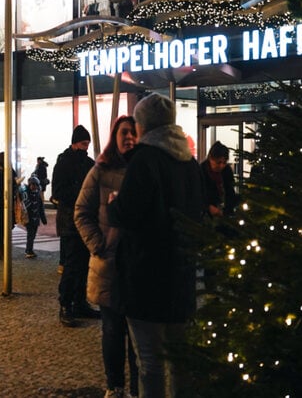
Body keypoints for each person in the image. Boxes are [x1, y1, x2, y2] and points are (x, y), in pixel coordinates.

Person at [107, 94, 205, 398]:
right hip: (182, 273)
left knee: (150, 362)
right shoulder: (189, 163)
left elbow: (130, 213)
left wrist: (114, 204)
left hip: (146, 274)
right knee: (180, 359)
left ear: (144, 124)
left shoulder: (145, 159)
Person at [75, 115, 140, 397]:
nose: (130, 137)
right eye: (125, 132)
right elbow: (82, 212)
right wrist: (98, 245)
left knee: (139, 336)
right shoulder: (100, 170)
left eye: (135, 133)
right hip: (110, 264)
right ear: (115, 136)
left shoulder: (145, 169)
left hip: (139, 263)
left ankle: (140, 388)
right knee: (113, 331)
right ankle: (115, 386)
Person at [52, 125, 97, 325]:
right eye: (83, 143)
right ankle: (66, 304)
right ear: (75, 142)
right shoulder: (64, 162)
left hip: (84, 219)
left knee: (84, 264)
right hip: (70, 220)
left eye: (87, 144)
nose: (86, 147)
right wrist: (81, 192)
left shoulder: (88, 163)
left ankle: (79, 302)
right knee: (72, 264)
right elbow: (59, 191)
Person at [201, 141, 237, 219]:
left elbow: (230, 191)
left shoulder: (227, 170)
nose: (221, 166)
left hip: (225, 213)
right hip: (207, 215)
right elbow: (198, 194)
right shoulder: (201, 171)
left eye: (224, 162)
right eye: (218, 162)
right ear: (210, 158)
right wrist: (208, 206)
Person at [21, 174, 47, 258]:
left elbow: (41, 208)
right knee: (30, 235)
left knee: (33, 235)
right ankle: (29, 250)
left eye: (35, 185)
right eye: (32, 184)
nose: (34, 186)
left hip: (36, 220)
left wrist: (43, 219)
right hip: (29, 219)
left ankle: (29, 249)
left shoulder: (38, 196)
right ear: (29, 185)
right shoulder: (26, 195)